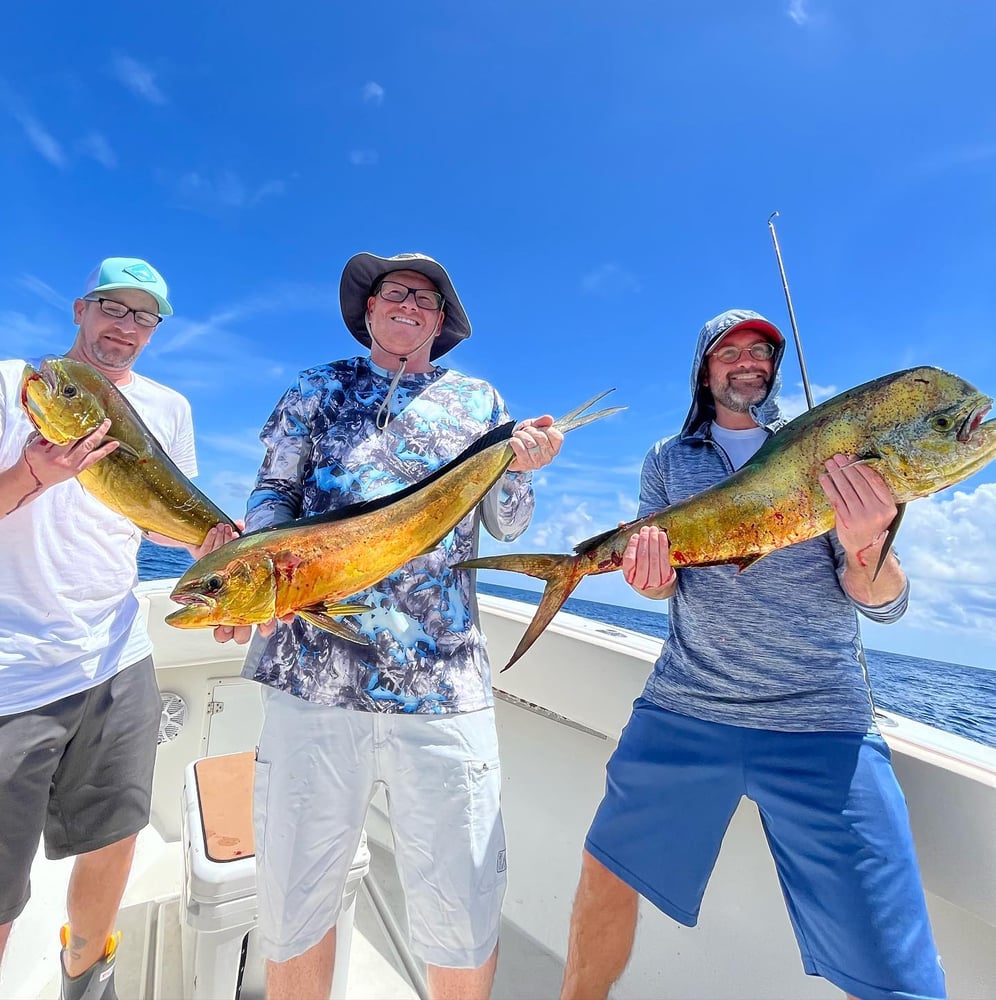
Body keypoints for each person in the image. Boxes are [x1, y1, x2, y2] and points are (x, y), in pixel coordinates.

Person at [560, 309, 946, 1000]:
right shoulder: (666, 461)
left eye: (760, 351)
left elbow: (881, 600)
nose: (747, 361)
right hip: (686, 705)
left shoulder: (827, 454)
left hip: (822, 719)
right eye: (729, 351)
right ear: (705, 369)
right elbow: (663, 581)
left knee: (897, 963)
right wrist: (654, 581)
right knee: (604, 874)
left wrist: (867, 543)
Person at [213, 251, 563, 1000]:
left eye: (427, 299)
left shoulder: (479, 402)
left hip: (442, 686)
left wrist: (525, 467)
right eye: (394, 292)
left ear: (442, 324)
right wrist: (261, 574)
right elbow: (273, 491)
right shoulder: (316, 387)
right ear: (368, 310)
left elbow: (506, 521)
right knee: (295, 900)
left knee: (461, 906)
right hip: (311, 679)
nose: (409, 303)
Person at [0, 258, 235, 1000]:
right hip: (14, 665)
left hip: (117, 652)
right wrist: (34, 474)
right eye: (113, 308)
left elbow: (165, 515)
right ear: (81, 308)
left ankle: (84, 974)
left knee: (114, 835)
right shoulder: (14, 384)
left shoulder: (169, 407)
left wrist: (223, 558)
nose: (125, 328)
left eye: (143, 317)